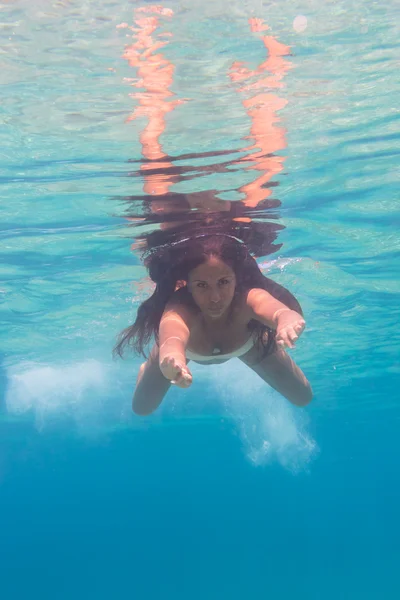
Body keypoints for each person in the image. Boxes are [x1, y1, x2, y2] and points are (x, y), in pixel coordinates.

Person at [114, 233, 312, 415]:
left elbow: (276, 310)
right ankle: (148, 366)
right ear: (187, 284)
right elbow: (172, 337)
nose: (215, 297)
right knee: (142, 408)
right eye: (202, 285)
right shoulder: (180, 307)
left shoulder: (248, 297)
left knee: (303, 397)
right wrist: (172, 359)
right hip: (175, 357)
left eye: (224, 282)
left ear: (237, 278)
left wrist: (287, 319)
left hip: (251, 346)